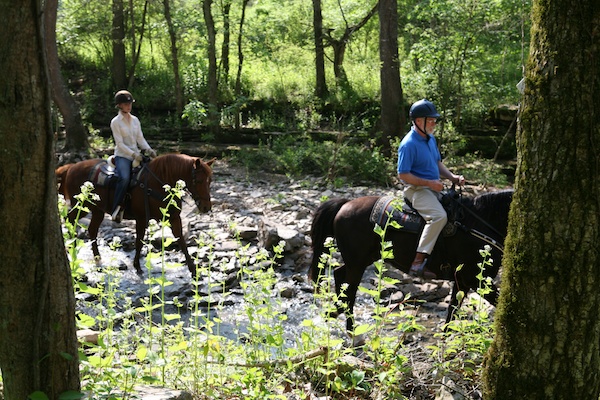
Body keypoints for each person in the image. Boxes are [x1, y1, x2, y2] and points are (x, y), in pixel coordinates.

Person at [397, 99, 465, 279]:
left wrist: (452, 177)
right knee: (438, 217)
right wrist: (429, 183)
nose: (434, 123)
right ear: (419, 121)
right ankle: (417, 263)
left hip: (432, 188)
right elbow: (403, 175)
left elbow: (436, 163)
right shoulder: (408, 144)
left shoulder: (430, 138)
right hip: (417, 191)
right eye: (431, 120)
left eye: (434, 120)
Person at [110, 90, 157, 222]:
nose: (129, 106)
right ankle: (116, 209)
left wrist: (148, 149)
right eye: (125, 104)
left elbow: (140, 138)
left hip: (137, 154)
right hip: (123, 156)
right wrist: (133, 154)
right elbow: (119, 144)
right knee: (124, 178)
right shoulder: (115, 122)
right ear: (119, 105)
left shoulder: (135, 120)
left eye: (130, 103)